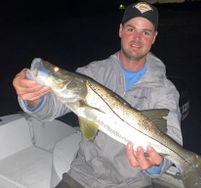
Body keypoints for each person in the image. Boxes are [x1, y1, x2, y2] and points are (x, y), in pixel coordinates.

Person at [13, 2, 183, 188]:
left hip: (134, 182)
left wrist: (156, 165)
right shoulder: (92, 73)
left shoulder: (164, 89)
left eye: (146, 32)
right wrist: (33, 97)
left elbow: (172, 137)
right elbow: (50, 108)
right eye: (131, 28)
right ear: (120, 30)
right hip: (83, 175)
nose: (137, 38)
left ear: (154, 37)